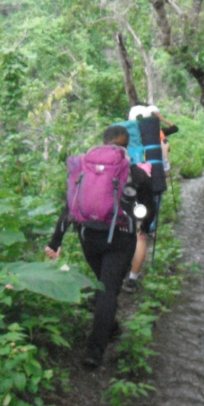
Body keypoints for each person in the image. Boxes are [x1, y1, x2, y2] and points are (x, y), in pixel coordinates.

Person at [45, 125, 153, 369]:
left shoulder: (84, 168)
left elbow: (69, 206)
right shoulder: (135, 174)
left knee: (104, 285)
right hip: (120, 239)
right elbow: (147, 210)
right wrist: (141, 220)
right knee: (108, 290)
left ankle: (110, 326)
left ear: (103, 142)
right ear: (126, 146)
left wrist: (56, 241)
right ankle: (94, 352)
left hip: (88, 236)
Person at [122, 107, 178, 292]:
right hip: (149, 184)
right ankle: (132, 278)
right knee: (140, 235)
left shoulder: (125, 137)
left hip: (124, 188)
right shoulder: (155, 137)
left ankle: (118, 269)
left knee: (123, 230)